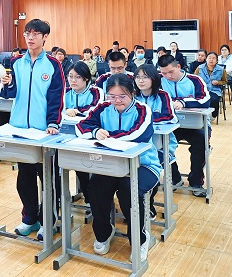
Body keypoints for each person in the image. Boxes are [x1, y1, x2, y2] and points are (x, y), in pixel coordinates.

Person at [75, 74, 160, 261]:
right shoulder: (103, 107)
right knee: (95, 187)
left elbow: (138, 135)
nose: (117, 101)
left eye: (122, 96)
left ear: (132, 93)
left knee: (129, 190)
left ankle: (139, 239)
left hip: (144, 165)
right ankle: (104, 233)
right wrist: (95, 131)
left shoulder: (142, 110)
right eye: (112, 96)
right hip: (112, 164)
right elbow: (80, 127)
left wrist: (107, 136)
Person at [0, 18, 64, 240]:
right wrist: (7, 84)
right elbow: (9, 94)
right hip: (19, 129)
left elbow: (56, 97)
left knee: (48, 179)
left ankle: (49, 221)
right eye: (27, 33)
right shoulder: (16, 62)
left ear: (45, 37)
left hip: (43, 132)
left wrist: (53, 123)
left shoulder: (53, 65)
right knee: (24, 178)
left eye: (35, 34)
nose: (30, 37)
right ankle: (30, 218)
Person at [157, 54, 210, 196]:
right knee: (160, 143)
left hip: (196, 125)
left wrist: (183, 102)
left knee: (201, 142)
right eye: (164, 73)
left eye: (171, 72)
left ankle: (196, 182)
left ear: (178, 67)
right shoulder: (159, 81)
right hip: (171, 125)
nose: (168, 76)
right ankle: (174, 178)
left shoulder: (195, 80)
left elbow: (205, 100)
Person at [133, 64, 177, 219]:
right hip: (138, 145)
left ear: (154, 78)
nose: (141, 80)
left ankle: (148, 204)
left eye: (145, 77)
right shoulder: (132, 96)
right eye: (138, 77)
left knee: (149, 168)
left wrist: (144, 119)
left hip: (161, 146)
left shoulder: (163, 96)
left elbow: (170, 117)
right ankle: (135, 205)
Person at [64, 61, 103, 206]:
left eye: (77, 77)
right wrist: (65, 111)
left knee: (84, 164)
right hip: (68, 134)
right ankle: (62, 197)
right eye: (70, 76)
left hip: (90, 135)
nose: (73, 80)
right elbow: (57, 108)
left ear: (86, 78)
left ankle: (92, 198)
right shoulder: (65, 92)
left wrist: (76, 111)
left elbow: (95, 109)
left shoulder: (96, 91)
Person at [194, 52, 226, 118]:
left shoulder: (221, 69)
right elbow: (194, 79)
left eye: (213, 58)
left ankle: (213, 116)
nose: (211, 60)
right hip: (202, 90)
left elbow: (225, 81)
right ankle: (200, 115)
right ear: (206, 59)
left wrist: (218, 82)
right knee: (198, 99)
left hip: (214, 90)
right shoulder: (200, 68)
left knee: (213, 99)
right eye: (209, 58)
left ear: (216, 61)